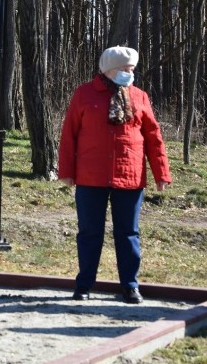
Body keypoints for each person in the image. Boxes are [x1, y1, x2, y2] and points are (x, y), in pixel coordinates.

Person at [58, 45, 171, 304]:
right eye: (125, 69)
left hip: (130, 176)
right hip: (90, 176)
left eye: (132, 69)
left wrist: (161, 173)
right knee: (89, 233)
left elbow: (154, 137)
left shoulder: (140, 96)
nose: (130, 74)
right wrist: (66, 171)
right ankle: (84, 285)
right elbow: (69, 135)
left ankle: (130, 286)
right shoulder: (84, 94)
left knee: (128, 233)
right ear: (109, 70)